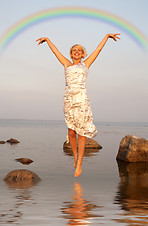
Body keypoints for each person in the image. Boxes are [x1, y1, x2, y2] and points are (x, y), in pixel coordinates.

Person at [36, 33, 120, 177]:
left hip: (81, 100)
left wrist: (106, 37)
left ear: (82, 54)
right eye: (74, 50)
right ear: (71, 54)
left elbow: (98, 50)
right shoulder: (66, 64)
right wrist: (48, 40)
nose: (76, 51)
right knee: (71, 132)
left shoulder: (86, 64)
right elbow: (56, 51)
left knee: (81, 133)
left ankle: (80, 162)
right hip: (68, 100)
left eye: (79, 50)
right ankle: (75, 156)